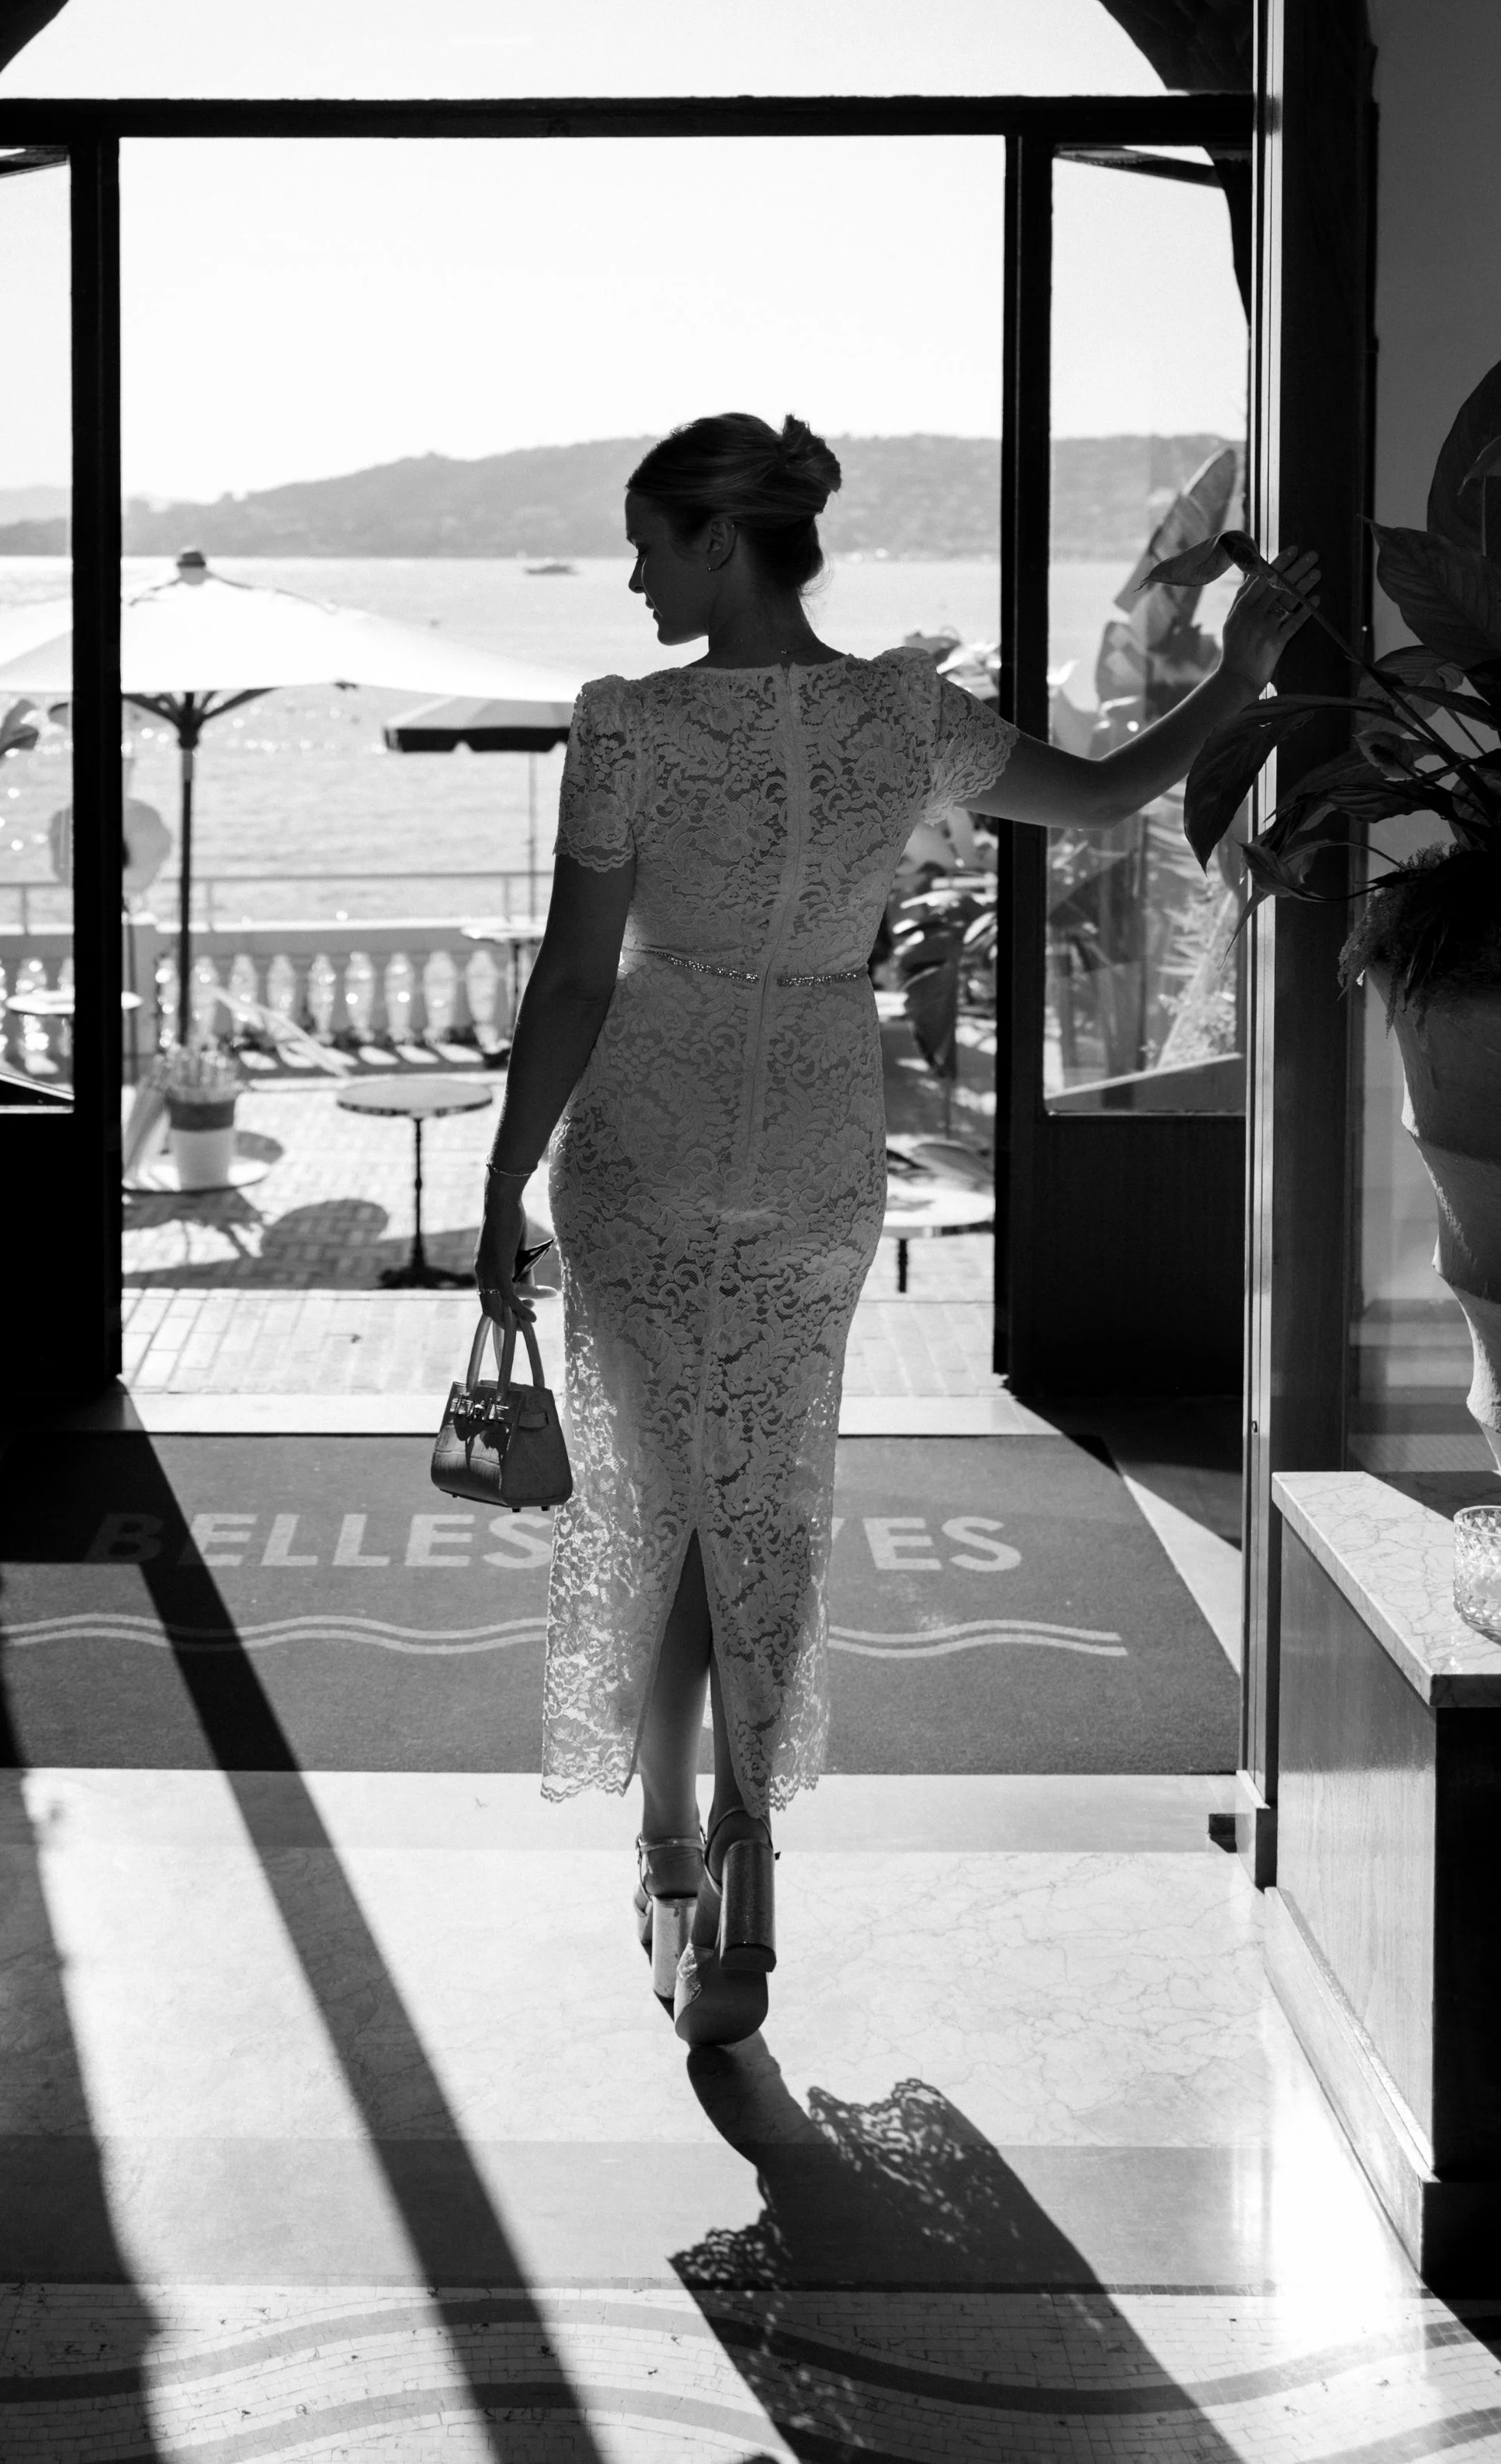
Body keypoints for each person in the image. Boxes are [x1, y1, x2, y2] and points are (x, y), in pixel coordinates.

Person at [476, 412, 1312, 2048]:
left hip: (646, 1128)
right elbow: (1100, 796)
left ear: (722, 540)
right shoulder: (898, 714)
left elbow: (576, 980)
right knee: (765, 1488)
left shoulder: (625, 722)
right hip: (807, 1127)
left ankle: (668, 1861)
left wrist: (502, 1176)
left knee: (665, 1495)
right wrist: (1237, 675)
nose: (633, 573)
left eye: (648, 538)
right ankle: (743, 1856)